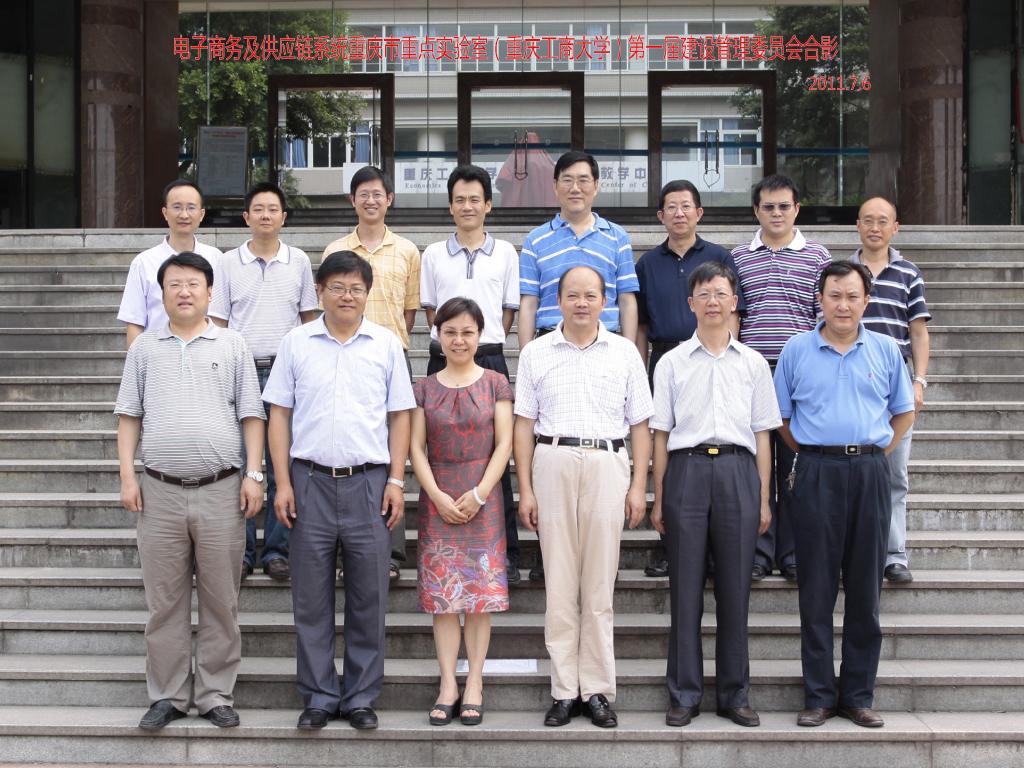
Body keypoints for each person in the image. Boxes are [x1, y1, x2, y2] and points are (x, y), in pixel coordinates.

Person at [262, 250, 415, 731]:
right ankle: (319, 695)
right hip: (308, 481)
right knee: (311, 598)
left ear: (368, 294)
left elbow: (400, 416)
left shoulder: (386, 344)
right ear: (320, 291)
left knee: (370, 595)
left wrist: (396, 479)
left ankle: (361, 696)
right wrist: (282, 481)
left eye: (356, 289)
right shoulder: (296, 342)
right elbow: (279, 414)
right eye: (337, 287)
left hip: (369, 483)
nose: (347, 296)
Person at [114, 252, 266, 731]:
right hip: (159, 491)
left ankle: (216, 693)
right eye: (174, 284)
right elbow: (129, 416)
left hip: (221, 490)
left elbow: (252, 414)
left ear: (209, 292)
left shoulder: (233, 344)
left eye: (193, 283)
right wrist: (127, 475)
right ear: (161, 293)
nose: (184, 291)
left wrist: (254, 473)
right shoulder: (144, 348)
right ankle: (168, 695)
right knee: (165, 603)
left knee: (222, 599)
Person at [775, 260, 915, 729]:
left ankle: (857, 696)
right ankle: (818, 696)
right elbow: (782, 417)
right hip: (816, 471)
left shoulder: (886, 349)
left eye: (852, 296)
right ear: (820, 298)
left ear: (866, 301)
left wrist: (874, 453)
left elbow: (903, 412)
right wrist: (814, 453)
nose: (843, 305)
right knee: (815, 590)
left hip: (870, 471)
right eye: (834, 295)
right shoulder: (796, 349)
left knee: (864, 590)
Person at [513, 265, 653, 729]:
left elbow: (640, 425)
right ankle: (563, 690)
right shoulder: (535, 353)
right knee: (559, 583)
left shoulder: (625, 353)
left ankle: (596, 690)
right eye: (572, 295)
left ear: (604, 301)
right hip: (552, 460)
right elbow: (523, 425)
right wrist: (525, 488)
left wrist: (638, 485)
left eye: (590, 295)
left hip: (607, 463)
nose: (581, 303)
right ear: (558, 300)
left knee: (597, 586)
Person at [650, 261, 780, 729]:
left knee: (735, 590)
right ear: (691, 303)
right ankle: (684, 694)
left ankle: (734, 694)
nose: (712, 301)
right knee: (684, 590)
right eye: (703, 294)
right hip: (685, 471)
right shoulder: (671, 363)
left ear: (734, 302)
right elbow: (660, 433)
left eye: (720, 293)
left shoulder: (753, 363)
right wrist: (658, 495)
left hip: (737, 471)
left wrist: (763, 497)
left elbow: (763, 434)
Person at [518, 150, 641, 582]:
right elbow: (529, 302)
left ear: (596, 186)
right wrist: (530, 352)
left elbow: (627, 299)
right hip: (551, 348)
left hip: (605, 349)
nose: (576, 187)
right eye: (567, 179)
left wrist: (626, 350)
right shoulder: (536, 240)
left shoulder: (617, 237)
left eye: (584, 179)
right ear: (555, 186)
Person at [410, 297, 514, 727]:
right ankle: (447, 684)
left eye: (467, 332)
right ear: (437, 335)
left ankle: (474, 682)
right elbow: (416, 448)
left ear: (479, 335)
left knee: (478, 597)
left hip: (482, 498)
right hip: (438, 497)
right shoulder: (423, 387)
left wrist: (481, 492)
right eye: (450, 332)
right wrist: (436, 495)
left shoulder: (496, 383)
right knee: (443, 599)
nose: (459, 340)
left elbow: (504, 444)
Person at [635, 179, 746, 578]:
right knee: (668, 447)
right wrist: (640, 370)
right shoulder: (647, 264)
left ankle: (716, 550)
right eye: (671, 207)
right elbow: (641, 325)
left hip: (714, 356)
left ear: (699, 213)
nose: (679, 213)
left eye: (686, 206)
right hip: (665, 358)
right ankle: (671, 544)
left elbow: (734, 314)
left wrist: (730, 356)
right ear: (660, 215)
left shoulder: (719, 257)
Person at [210, 181, 319, 584]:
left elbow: (309, 320)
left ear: (284, 217)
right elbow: (218, 322)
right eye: (258, 209)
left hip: (285, 372)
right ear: (246, 217)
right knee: (239, 461)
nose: (266, 215)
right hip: (240, 370)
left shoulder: (299, 261)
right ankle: (241, 551)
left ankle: (277, 551)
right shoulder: (227, 263)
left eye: (273, 209)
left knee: (281, 462)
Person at [419, 164, 521, 584]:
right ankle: (440, 547)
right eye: (459, 200)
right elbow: (431, 311)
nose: (467, 206)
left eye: (475, 199)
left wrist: (480, 342)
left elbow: (508, 312)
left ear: (488, 205)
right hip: (444, 360)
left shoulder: (506, 253)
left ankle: (507, 554)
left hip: (489, 358)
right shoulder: (432, 254)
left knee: (497, 457)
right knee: (438, 456)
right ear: (450, 206)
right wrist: (455, 342)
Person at [732, 174, 832, 583]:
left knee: (795, 465)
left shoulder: (817, 256)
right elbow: (736, 317)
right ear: (757, 211)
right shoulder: (739, 257)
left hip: (799, 375)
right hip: (752, 374)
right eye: (768, 207)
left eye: (784, 206)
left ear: (797, 209)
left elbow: (823, 318)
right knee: (755, 466)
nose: (776, 213)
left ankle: (792, 552)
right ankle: (759, 551)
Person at [322, 166, 421, 581]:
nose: (370, 201)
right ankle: (342, 553)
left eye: (378, 194)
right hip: (341, 356)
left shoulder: (408, 251)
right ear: (352, 200)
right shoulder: (335, 249)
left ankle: (391, 553)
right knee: (346, 449)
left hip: (389, 357)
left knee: (391, 454)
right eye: (363, 194)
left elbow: (410, 312)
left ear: (389, 199)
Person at [852, 197, 931, 584]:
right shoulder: (843, 271)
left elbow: (918, 331)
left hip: (895, 380)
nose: (875, 227)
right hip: (852, 379)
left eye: (882, 221)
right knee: (851, 471)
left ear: (895, 228)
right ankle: (853, 553)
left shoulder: (908, 273)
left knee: (895, 472)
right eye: (868, 220)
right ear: (857, 225)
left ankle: (893, 555)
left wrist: (919, 380)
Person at [118, 180, 222, 348]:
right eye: (177, 207)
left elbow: (221, 316)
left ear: (202, 214)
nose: (184, 215)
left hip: (206, 355)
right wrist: (136, 361)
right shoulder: (144, 262)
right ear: (165, 213)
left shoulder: (216, 259)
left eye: (191, 207)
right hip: (158, 355)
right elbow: (135, 322)